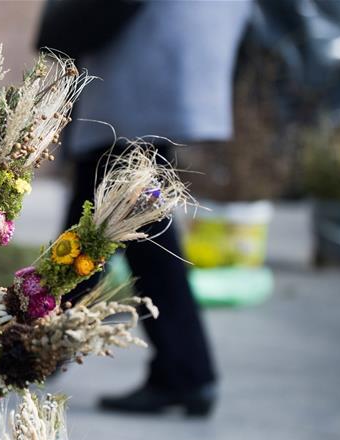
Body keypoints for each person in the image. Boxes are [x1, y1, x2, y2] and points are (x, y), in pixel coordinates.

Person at [36, 0, 252, 416]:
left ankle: (41, 347)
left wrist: (58, 32)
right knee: (108, 217)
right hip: (168, 60)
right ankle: (43, 344)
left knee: (122, 218)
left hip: (141, 72)